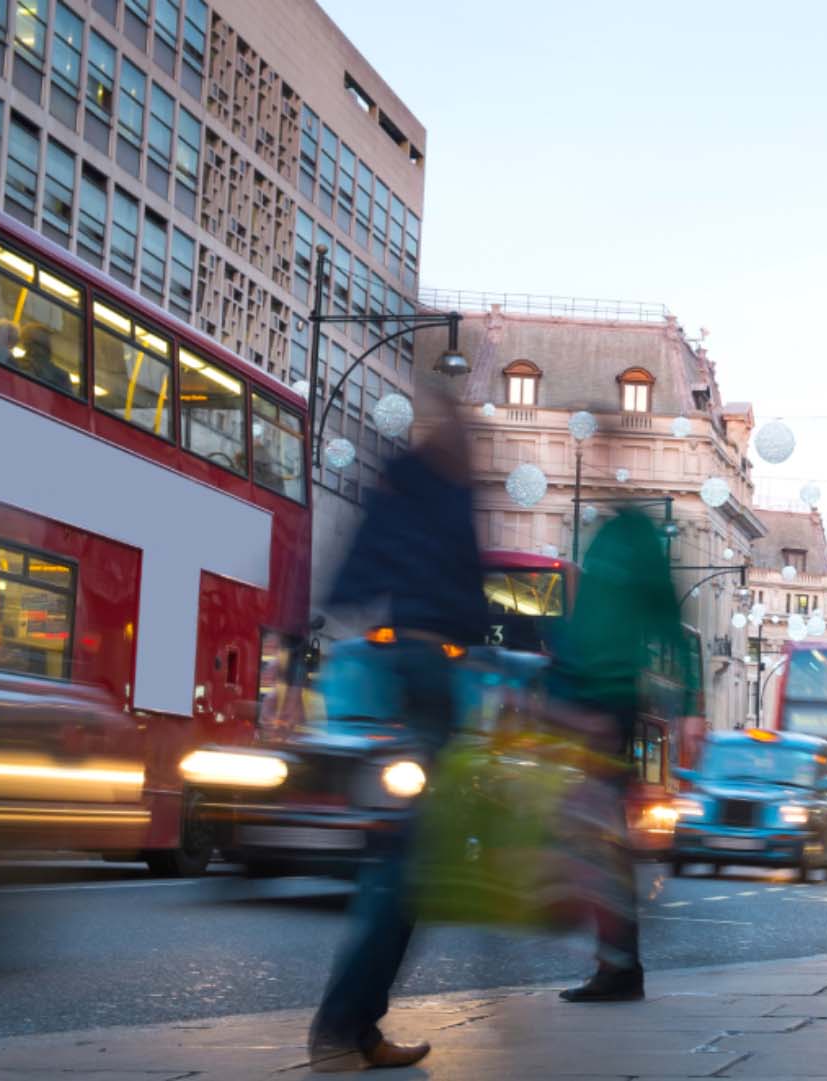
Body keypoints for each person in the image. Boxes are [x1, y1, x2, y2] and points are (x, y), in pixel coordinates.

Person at [308, 387, 488, 1071]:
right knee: (408, 865)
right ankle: (343, 1026)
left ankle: (356, 1027)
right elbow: (457, 586)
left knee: (406, 859)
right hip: (427, 672)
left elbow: (358, 571)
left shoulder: (410, 482)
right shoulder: (435, 487)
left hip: (409, 666)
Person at [549, 509, 698, 1003]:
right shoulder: (611, 534)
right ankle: (616, 962)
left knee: (598, 837)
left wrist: (691, 706)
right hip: (585, 697)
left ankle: (618, 965)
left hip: (607, 702)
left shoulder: (633, 538)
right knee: (592, 833)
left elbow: (672, 627)